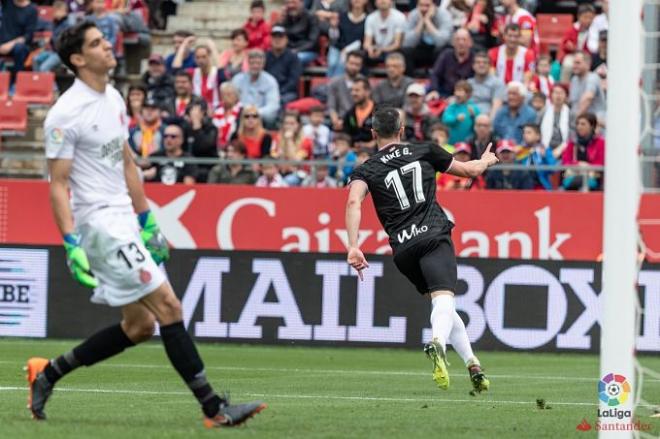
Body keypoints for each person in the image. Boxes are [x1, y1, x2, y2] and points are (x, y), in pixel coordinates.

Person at [32, 21, 266, 427]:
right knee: (169, 307)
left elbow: (126, 161)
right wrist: (71, 242)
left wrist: (147, 220)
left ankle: (48, 372)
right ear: (77, 59)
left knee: (139, 326)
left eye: (105, 40)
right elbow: (59, 185)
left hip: (124, 216)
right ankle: (214, 408)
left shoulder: (114, 98)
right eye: (96, 43)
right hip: (100, 226)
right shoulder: (64, 114)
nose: (108, 46)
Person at [344, 107, 494, 394]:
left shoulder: (366, 169)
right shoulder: (424, 150)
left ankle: (473, 364)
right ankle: (437, 342)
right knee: (445, 299)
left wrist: (353, 246)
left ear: (373, 133)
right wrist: (486, 160)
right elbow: (470, 171)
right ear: (402, 130)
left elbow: (353, 203)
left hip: (403, 250)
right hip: (433, 235)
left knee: (442, 304)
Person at [231, 49, 280, 128]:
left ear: (263, 64)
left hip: (261, 117)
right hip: (240, 116)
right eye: (252, 63)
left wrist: (253, 113)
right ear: (248, 63)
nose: (255, 66)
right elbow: (231, 102)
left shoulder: (271, 81)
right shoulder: (237, 79)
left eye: (258, 63)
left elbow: (273, 107)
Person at [401, 0, 452, 75]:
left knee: (443, 51)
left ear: (434, 6)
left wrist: (428, 21)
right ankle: (410, 81)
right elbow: (407, 43)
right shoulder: (413, 15)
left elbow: (441, 42)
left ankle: (437, 80)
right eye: (421, 5)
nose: (424, 9)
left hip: (438, 49)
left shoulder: (444, 15)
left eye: (427, 5)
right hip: (422, 48)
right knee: (405, 51)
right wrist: (421, 22)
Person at [560, 112, 605, 191]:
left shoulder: (600, 143)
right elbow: (565, 162)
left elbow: (600, 163)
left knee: (586, 182)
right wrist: (579, 165)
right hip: (573, 175)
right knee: (572, 182)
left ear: (592, 126)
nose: (579, 127)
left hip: (593, 176)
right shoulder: (572, 142)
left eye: (583, 124)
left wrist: (587, 166)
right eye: (578, 124)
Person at [427, 29, 474, 100]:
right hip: (444, 94)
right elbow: (435, 74)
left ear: (470, 43)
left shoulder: (475, 59)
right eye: (457, 40)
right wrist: (434, 90)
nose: (461, 43)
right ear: (453, 42)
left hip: (465, 97)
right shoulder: (446, 55)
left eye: (464, 40)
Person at [271, 110, 313, 185]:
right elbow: (274, 158)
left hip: (300, 174)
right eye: (286, 123)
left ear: (298, 125)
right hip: (279, 172)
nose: (288, 126)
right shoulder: (277, 138)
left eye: (292, 123)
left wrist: (289, 140)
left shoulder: (306, 141)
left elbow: (295, 162)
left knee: (284, 183)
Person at [326, 0, 367, 78]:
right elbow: (334, 38)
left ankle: (336, 86)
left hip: (357, 50)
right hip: (338, 47)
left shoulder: (368, 19)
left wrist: (347, 50)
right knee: (332, 63)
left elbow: (362, 41)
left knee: (342, 63)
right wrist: (333, 27)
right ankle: (329, 85)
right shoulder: (342, 16)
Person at [265, 26, 303, 107]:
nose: (277, 40)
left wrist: (278, 92)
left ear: (286, 40)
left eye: (280, 37)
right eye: (275, 37)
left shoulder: (293, 57)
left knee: (281, 101)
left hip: (286, 92)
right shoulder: (265, 56)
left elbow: (293, 81)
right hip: (267, 91)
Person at [559, 4, 597, 84]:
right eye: (585, 17)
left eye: (590, 18)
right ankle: (564, 86)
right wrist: (569, 46)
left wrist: (583, 53)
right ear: (579, 17)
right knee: (567, 64)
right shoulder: (573, 29)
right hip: (573, 54)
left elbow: (593, 47)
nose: (588, 20)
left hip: (588, 56)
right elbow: (564, 44)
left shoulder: (594, 29)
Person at [327, 50, 364, 131]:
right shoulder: (334, 83)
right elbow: (331, 106)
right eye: (351, 63)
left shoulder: (364, 83)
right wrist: (335, 121)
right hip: (340, 120)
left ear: (361, 66)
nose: (353, 67)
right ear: (345, 63)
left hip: (359, 122)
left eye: (357, 65)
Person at [362, 0, 405, 66]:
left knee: (400, 54)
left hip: (392, 50)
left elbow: (397, 44)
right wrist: (370, 49)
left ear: (391, 2)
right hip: (377, 50)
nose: (382, 1)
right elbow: (366, 43)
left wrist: (381, 49)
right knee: (362, 55)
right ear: (375, 2)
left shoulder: (399, 17)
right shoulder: (370, 18)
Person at [0, 0, 37, 76]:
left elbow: (28, 36)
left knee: (20, 49)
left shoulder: (32, 9)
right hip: (2, 43)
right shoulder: (7, 3)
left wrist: (10, 45)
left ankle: (16, 80)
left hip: (18, 45)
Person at [569, 51, 606, 126]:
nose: (574, 66)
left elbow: (588, 98)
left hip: (595, 124)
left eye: (578, 63)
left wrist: (576, 120)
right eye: (574, 63)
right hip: (580, 124)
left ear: (587, 65)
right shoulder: (574, 79)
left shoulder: (592, 78)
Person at [279, 0, 320, 66]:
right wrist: (280, 20)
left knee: (295, 59)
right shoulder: (286, 18)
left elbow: (313, 42)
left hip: (307, 51)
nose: (291, 5)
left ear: (302, 3)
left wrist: (296, 50)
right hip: (289, 51)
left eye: (294, 2)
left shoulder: (311, 17)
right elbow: (280, 36)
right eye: (288, 3)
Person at [517, 123, 556, 190]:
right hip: (523, 187)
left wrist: (544, 157)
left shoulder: (545, 150)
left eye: (529, 132)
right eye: (524, 133)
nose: (525, 135)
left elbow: (553, 170)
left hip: (541, 187)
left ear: (538, 136)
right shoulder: (520, 151)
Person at [187, 44, 225, 111]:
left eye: (204, 57)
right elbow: (176, 70)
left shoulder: (216, 73)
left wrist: (213, 49)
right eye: (197, 57)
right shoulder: (192, 72)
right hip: (197, 109)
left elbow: (223, 77)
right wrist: (184, 44)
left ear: (209, 56)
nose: (200, 60)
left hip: (215, 110)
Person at [441, 80, 480, 144]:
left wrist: (473, 116)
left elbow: (478, 125)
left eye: (460, 91)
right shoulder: (451, 106)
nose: (457, 94)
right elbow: (445, 119)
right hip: (451, 143)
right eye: (456, 90)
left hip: (468, 145)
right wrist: (456, 119)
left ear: (468, 94)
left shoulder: (473, 108)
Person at [343, 77, 376, 149]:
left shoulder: (379, 111)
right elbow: (346, 136)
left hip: (376, 154)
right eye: (352, 90)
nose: (353, 93)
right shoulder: (349, 114)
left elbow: (386, 137)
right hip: (353, 155)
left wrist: (370, 145)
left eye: (357, 90)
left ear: (367, 92)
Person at [212, 82, 242, 152]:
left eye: (229, 94)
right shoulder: (216, 111)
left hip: (235, 148)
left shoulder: (241, 112)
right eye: (223, 94)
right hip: (216, 147)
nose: (225, 97)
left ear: (236, 96)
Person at [540, 84, 569, 152]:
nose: (558, 96)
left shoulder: (571, 114)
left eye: (561, 93)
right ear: (551, 95)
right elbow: (537, 131)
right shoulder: (543, 112)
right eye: (556, 93)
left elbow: (572, 136)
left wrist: (560, 150)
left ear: (566, 96)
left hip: (565, 150)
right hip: (545, 149)